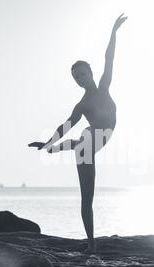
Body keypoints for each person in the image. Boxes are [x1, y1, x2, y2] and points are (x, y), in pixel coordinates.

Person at [29, 13, 127, 253]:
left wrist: (113, 31)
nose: (79, 79)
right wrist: (48, 140)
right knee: (87, 198)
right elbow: (66, 124)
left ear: (90, 73)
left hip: (94, 137)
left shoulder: (104, 86)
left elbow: (109, 57)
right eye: (75, 77)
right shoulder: (81, 105)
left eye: (81, 74)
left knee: (80, 142)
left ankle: (52, 149)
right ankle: (91, 245)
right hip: (87, 144)